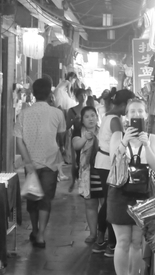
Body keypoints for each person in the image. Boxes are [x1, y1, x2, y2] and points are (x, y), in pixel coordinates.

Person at [106, 97, 155, 275]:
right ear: (126, 116)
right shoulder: (118, 135)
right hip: (120, 192)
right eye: (132, 112)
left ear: (146, 115)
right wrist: (124, 142)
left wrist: (146, 145)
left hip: (143, 194)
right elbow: (113, 160)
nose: (136, 115)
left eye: (140, 111)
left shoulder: (153, 138)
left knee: (137, 242)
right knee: (122, 240)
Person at [14, 77, 65, 249]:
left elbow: (19, 142)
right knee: (45, 200)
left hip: (31, 164)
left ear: (33, 94)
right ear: (50, 93)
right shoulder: (58, 113)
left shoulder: (23, 114)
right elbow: (61, 136)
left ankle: (34, 230)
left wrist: (27, 162)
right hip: (50, 162)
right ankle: (41, 235)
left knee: (33, 198)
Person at [92, 89, 133, 257]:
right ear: (123, 104)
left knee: (108, 202)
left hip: (103, 162)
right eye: (129, 105)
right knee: (111, 203)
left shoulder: (109, 116)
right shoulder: (115, 120)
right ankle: (110, 243)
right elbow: (121, 145)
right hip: (109, 164)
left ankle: (101, 238)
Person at [72, 106, 100, 243]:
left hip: (103, 172)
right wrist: (85, 138)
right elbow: (76, 145)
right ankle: (93, 233)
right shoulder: (79, 132)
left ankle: (103, 233)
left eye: (93, 115)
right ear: (82, 120)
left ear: (97, 117)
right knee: (90, 204)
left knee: (105, 204)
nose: (91, 118)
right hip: (87, 173)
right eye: (87, 116)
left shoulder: (103, 131)